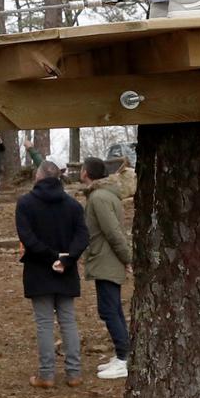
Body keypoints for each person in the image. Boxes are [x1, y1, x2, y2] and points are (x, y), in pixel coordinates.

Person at [17, 160, 89, 388]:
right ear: (58, 178)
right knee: (68, 321)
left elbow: (27, 238)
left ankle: (46, 375)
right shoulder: (73, 206)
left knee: (45, 323)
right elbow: (83, 236)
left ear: (38, 177)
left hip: (39, 269)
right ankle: (74, 373)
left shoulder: (26, 204)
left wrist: (52, 257)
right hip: (65, 270)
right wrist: (66, 259)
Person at [79, 158, 133, 380]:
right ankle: (123, 354)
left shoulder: (99, 197)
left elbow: (112, 232)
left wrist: (127, 258)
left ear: (86, 173)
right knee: (113, 309)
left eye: (82, 168)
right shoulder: (104, 195)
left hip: (106, 260)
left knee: (109, 310)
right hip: (105, 259)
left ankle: (124, 359)